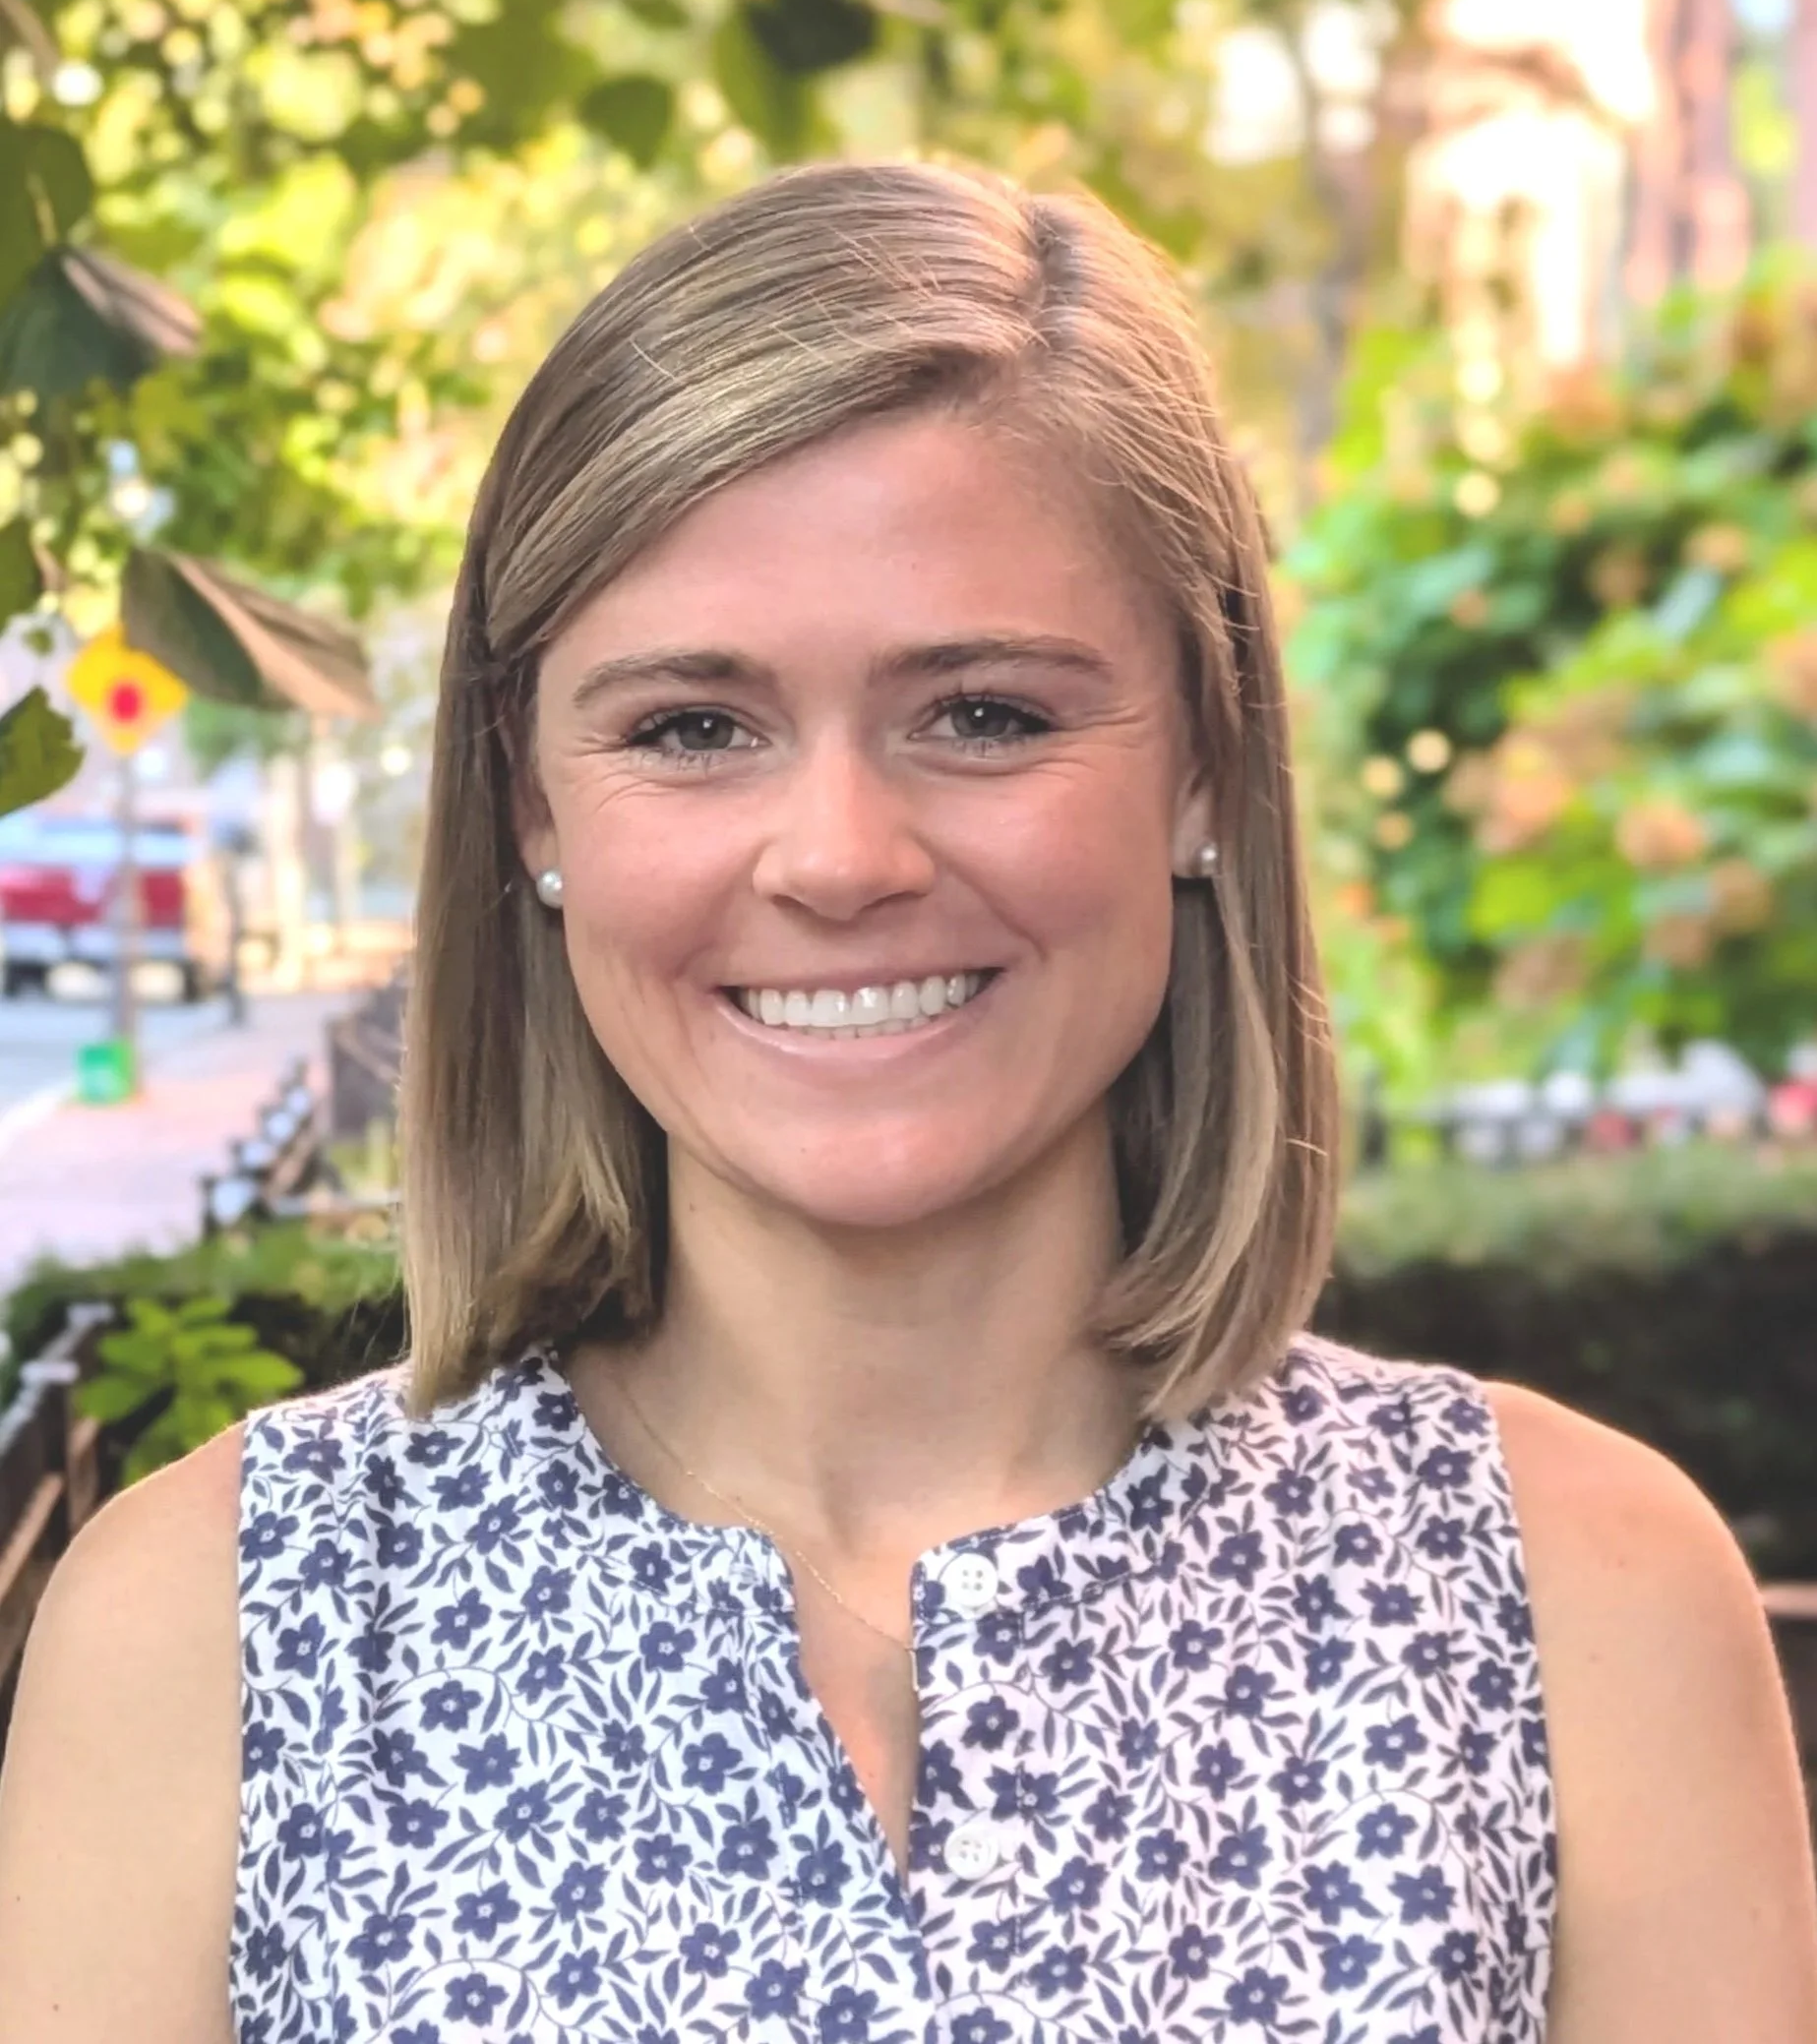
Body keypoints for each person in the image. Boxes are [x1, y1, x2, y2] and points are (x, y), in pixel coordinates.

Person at [1, 158, 1813, 2044]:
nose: (841, 856)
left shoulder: (1574, 1601)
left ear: (1201, 761)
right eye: (692, 729)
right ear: (535, 808)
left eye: (987, 714)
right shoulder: (210, 1637)